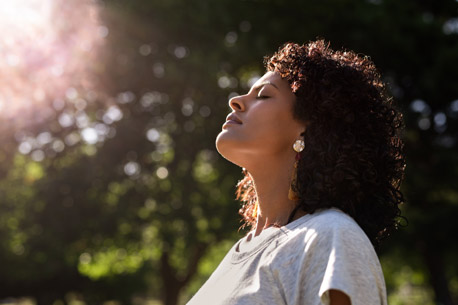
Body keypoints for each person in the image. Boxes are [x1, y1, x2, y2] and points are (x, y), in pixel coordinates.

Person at [187, 39, 405, 305]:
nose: (236, 101)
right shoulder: (240, 251)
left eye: (264, 95)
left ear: (309, 128)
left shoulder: (331, 236)